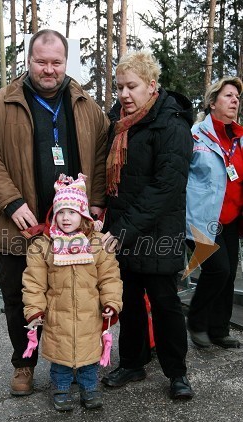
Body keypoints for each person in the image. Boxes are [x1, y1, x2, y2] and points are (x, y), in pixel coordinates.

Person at [0, 29, 108, 396]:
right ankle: (24, 363)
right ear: (28, 61)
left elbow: (100, 156)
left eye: (56, 62)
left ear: (66, 62)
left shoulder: (86, 106)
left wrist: (96, 202)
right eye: (41, 61)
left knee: (76, 299)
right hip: (21, 228)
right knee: (20, 298)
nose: (49, 69)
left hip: (74, 226)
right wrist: (12, 202)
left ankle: (77, 363)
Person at [101, 50, 194, 399]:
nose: (124, 94)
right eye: (119, 87)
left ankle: (176, 373)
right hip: (123, 231)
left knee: (166, 303)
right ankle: (132, 362)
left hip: (157, 233)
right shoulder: (118, 123)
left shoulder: (171, 124)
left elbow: (166, 187)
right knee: (129, 301)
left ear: (151, 85)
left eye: (132, 86)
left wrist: (122, 230)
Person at [22, 174, 122, 411]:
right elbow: (34, 282)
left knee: (89, 355)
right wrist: (35, 309)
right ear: (54, 215)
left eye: (72, 212)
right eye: (61, 212)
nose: (66, 218)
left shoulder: (96, 244)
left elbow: (110, 276)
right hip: (58, 313)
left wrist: (111, 301)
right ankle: (61, 388)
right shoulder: (43, 245)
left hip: (90, 313)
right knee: (60, 355)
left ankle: (89, 388)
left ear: (83, 214)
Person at [185, 76, 243, 349]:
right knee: (218, 270)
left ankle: (219, 329)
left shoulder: (240, 139)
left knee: (230, 273)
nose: (235, 100)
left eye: (237, 97)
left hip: (231, 220)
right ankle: (196, 322)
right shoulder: (195, 135)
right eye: (228, 95)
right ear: (212, 102)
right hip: (202, 219)